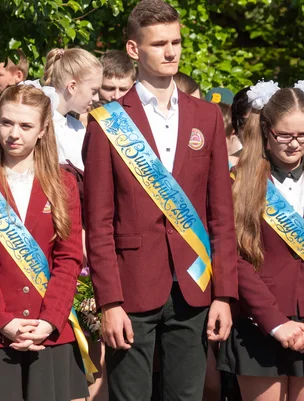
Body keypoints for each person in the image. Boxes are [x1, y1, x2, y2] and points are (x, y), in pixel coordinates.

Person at [82, 1, 238, 400]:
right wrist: (109, 301)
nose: (171, 52)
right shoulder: (108, 123)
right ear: (134, 50)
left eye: (177, 42)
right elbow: (98, 222)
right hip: (131, 287)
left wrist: (224, 294)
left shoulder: (208, 117)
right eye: (159, 44)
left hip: (194, 285)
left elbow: (221, 214)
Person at [0, 84, 90, 401]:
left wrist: (49, 321)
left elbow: (69, 259)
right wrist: (4, 322)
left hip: (50, 334)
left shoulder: (64, 183)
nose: (14, 134)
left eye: (26, 126)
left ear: (43, 130)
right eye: (6, 123)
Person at [217, 84, 304, 401]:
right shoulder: (239, 180)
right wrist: (276, 323)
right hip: (258, 322)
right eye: (285, 135)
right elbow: (234, 257)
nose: (294, 144)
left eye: (302, 135)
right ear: (266, 130)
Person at [41, 47, 102, 172]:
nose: (96, 98)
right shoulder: (40, 123)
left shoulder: (76, 126)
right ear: (72, 86)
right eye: (94, 91)